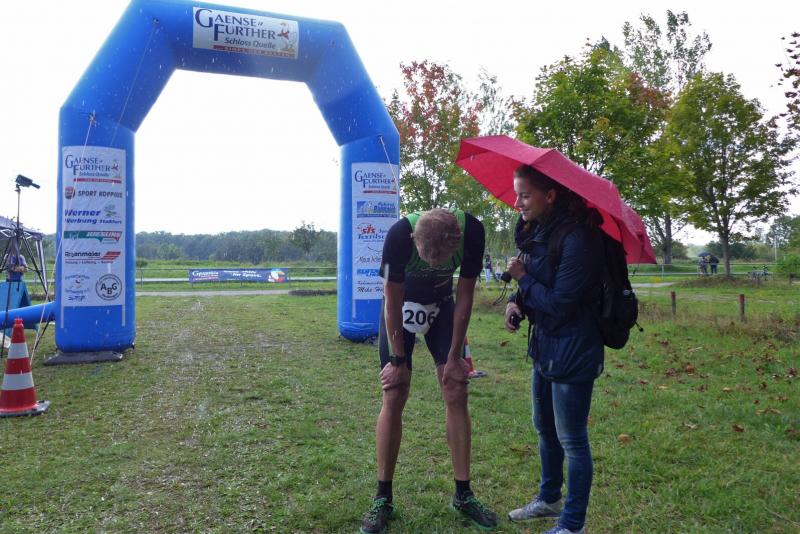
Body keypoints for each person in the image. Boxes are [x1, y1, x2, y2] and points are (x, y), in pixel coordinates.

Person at [360, 207, 498, 533]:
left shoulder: (472, 232)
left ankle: (463, 495)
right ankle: (383, 497)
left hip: (443, 306)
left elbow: (465, 295)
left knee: (456, 389)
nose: (435, 265)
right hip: (401, 308)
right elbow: (391, 301)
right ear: (414, 239)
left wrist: (454, 356)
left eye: (442, 259)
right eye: (428, 258)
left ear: (456, 242)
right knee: (394, 392)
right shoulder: (398, 236)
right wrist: (398, 360)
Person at [503, 165, 604, 534]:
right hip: (545, 346)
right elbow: (539, 284)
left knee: (572, 439)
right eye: (516, 194)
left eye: (525, 195)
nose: (518, 203)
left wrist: (522, 278)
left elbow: (561, 303)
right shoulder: (539, 233)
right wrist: (516, 301)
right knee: (544, 427)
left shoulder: (578, 239)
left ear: (550, 196)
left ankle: (572, 524)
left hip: (574, 349)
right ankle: (549, 499)